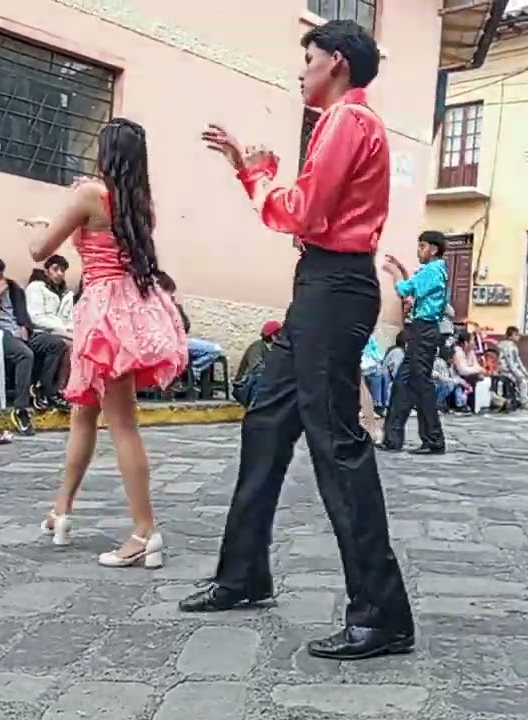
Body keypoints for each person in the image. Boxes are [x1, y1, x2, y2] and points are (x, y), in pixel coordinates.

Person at [182, 19, 414, 661]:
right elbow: (307, 209)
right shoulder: (347, 122)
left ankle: (382, 613)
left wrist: (255, 176)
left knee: (337, 442)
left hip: (334, 287)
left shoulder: (347, 123)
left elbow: (304, 214)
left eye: (308, 58)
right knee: (264, 423)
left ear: (335, 62)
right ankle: (242, 574)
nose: (301, 69)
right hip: (323, 286)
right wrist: (250, 170)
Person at [23, 118, 188, 568]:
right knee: (84, 413)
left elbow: (40, 251)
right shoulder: (140, 203)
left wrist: (37, 227)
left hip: (102, 308)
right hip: (131, 304)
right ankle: (61, 511)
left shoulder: (89, 194)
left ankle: (145, 530)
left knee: (121, 423)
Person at [0, 254, 66, 433]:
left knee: (56, 344)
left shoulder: (13, 287)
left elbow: (22, 312)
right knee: (25, 354)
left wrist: (25, 326)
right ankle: (21, 409)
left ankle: (42, 387)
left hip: (20, 332)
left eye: (1, 274)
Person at [379, 231, 448, 453]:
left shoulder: (433, 270)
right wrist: (400, 268)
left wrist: (393, 273)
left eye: (422, 247)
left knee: (421, 384)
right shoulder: (432, 271)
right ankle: (392, 438)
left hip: (425, 330)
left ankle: (434, 440)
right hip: (420, 330)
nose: (419, 251)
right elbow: (415, 285)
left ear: (433, 249)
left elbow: (404, 289)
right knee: (402, 383)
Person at [25, 254, 75, 409]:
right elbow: (35, 318)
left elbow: (70, 319)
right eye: (55, 269)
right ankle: (47, 388)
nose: (59, 273)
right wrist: (62, 330)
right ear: (46, 271)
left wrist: (68, 331)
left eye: (62, 270)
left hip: (61, 333)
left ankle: (61, 390)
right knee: (65, 344)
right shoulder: (36, 288)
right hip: (39, 333)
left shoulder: (67, 294)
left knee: (75, 344)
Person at [233, 320, 281, 406]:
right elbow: (256, 368)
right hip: (245, 387)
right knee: (261, 377)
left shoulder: (275, 349)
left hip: (259, 384)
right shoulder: (257, 347)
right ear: (274, 336)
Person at [497, 326, 528, 410]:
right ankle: (524, 402)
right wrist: (518, 375)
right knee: (522, 381)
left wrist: (525, 372)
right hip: (505, 370)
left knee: (524, 378)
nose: (518, 337)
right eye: (516, 335)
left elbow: (518, 361)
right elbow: (510, 363)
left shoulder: (514, 346)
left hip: (511, 370)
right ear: (510, 336)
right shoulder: (507, 347)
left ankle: (518, 399)